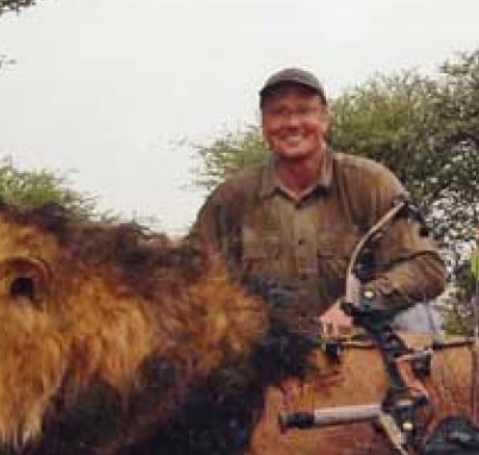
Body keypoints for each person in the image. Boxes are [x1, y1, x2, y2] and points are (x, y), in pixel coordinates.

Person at [191, 67, 446, 335]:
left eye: (304, 111)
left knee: (418, 320)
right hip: (266, 347)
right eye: (278, 113)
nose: (291, 123)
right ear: (264, 125)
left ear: (324, 119)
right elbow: (190, 277)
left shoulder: (371, 182)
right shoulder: (230, 197)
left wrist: (359, 302)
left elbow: (427, 268)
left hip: (359, 336)